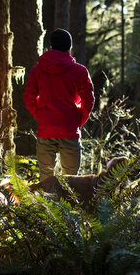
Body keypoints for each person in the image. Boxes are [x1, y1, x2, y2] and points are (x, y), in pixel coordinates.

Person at [24, 28, 95, 182]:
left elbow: (29, 96)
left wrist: (41, 116)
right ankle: (68, 207)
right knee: (71, 182)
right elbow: (88, 100)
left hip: (46, 128)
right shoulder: (80, 71)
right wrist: (78, 120)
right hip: (69, 129)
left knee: (46, 180)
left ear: (51, 46)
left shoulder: (38, 70)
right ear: (69, 47)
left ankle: (46, 206)